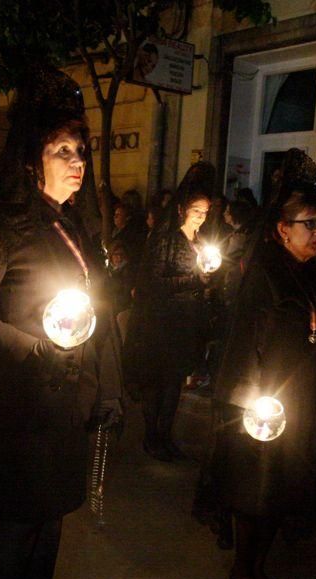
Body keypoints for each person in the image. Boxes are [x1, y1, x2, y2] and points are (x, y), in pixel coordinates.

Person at [0, 69, 121, 579]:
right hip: (19, 404)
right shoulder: (7, 224)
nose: (77, 161)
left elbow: (94, 314)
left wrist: (105, 386)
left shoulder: (76, 223)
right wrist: (35, 350)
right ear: (32, 159)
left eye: (82, 150)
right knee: (19, 518)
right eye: (63, 150)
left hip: (68, 399)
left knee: (53, 518)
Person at [211, 182, 316, 579]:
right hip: (263, 403)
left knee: (282, 491)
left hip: (300, 397)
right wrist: (252, 405)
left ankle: (261, 568)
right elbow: (245, 341)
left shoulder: (314, 273)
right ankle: (243, 571)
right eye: (310, 224)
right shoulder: (263, 273)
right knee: (255, 491)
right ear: (283, 229)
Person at [126, 163, 214, 462]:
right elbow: (152, 282)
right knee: (157, 381)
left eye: (205, 212)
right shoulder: (165, 238)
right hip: (162, 322)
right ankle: (152, 436)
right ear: (182, 210)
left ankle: (166, 434)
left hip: (187, 322)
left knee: (175, 381)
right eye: (196, 211)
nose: (201, 218)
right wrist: (194, 280)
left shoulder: (199, 241)